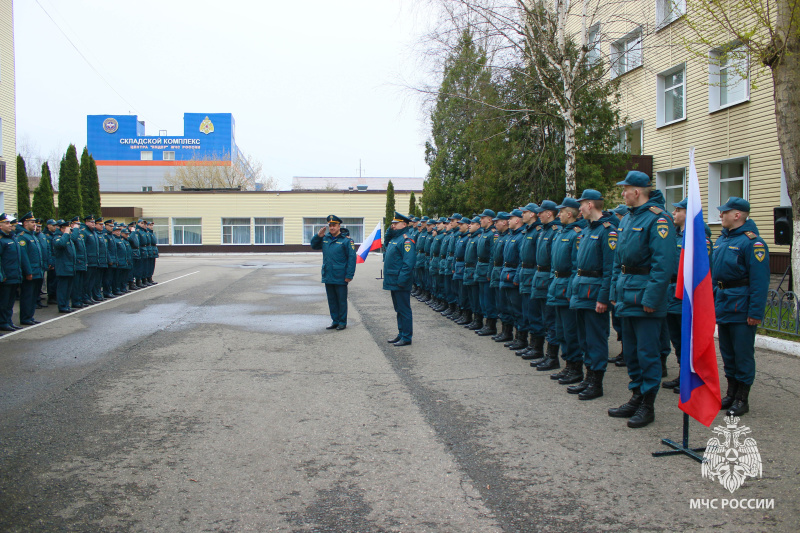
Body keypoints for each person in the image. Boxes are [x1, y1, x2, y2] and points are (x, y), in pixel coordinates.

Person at [608, 171, 676, 429]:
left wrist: (652, 297)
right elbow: (618, 261)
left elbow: (663, 265)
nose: (622, 193)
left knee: (647, 354)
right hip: (626, 294)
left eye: (625, 189)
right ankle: (636, 396)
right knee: (632, 353)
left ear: (637, 191)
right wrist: (615, 291)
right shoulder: (626, 219)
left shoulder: (659, 220)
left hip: (645, 296)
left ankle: (648, 405)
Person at [711, 197, 770, 416]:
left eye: (724, 212)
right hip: (724, 304)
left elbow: (759, 281)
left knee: (742, 354)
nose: (720, 215)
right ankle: (731, 393)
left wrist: (755, 312)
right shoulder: (722, 240)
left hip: (742, 307)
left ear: (737, 215)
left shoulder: (752, 243)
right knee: (727, 353)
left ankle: (742, 398)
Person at [568, 190, 616, 399]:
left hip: (595, 293)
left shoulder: (608, 231)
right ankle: (588, 378)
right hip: (581, 291)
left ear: (590, 205)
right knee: (584, 339)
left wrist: (603, 298)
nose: (579, 209)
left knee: (596, 339)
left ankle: (596, 382)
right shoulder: (586, 231)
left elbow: (610, 269)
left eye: (581, 204)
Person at [662, 198, 712, 394]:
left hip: (688, 296)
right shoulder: (674, 237)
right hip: (671, 293)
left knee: (689, 340)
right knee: (677, 339)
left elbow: (704, 271)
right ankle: (684, 374)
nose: (673, 213)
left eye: (678, 210)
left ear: (688, 213)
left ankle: (694, 377)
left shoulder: (698, 239)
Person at [547, 198, 587, 381]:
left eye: (561, 212)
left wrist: (571, 291)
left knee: (571, 331)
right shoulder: (561, 232)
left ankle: (576, 368)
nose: (559, 214)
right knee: (561, 330)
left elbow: (575, 266)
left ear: (569, 214)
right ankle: (567, 365)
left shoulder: (576, 234)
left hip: (567, 289)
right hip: (557, 285)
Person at [310, 215, 357, 330]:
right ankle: (335, 321)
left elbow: (352, 259)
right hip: (328, 274)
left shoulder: (347, 241)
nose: (331, 228)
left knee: (341, 300)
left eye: (334, 225)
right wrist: (318, 236)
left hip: (341, 275)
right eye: (330, 225)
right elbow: (313, 245)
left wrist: (349, 275)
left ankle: (342, 322)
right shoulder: (325, 238)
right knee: (331, 300)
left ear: (339, 226)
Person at [530, 201, 562, 369]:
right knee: (544, 317)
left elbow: (554, 260)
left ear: (549, 213)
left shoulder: (555, 232)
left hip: (549, 278)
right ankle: (544, 353)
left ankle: (552, 357)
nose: (538, 215)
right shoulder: (543, 231)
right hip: (540, 277)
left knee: (551, 320)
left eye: (541, 212)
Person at [384, 212, 416, 346]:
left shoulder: (406, 240)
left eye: (395, 223)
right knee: (398, 309)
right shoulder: (395, 238)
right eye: (392, 223)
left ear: (404, 224)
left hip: (400, 281)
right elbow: (386, 243)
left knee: (404, 309)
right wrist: (389, 230)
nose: (393, 225)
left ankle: (407, 337)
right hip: (394, 280)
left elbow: (408, 263)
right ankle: (401, 333)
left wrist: (402, 281)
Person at [16, 212, 44, 325]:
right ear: (25, 223)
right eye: (32, 222)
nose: (35, 224)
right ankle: (25, 317)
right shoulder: (22, 237)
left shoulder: (33, 236)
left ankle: (30, 316)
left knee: (33, 296)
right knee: (27, 296)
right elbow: (24, 257)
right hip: (30, 272)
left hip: (38, 271)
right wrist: (28, 272)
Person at [475, 209, 499, 336]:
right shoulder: (484, 233)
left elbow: (492, 256)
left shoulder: (492, 234)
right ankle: (486, 323)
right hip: (480, 267)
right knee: (483, 298)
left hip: (486, 268)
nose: (480, 220)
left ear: (489, 219)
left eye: (482, 218)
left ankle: (491, 325)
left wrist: (489, 272)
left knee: (489, 299)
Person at [52, 219, 77, 313]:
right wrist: (66, 234)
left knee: (68, 289)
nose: (70, 231)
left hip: (70, 267)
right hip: (63, 268)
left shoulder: (68, 238)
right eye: (68, 229)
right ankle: (62, 306)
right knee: (62, 289)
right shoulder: (57, 237)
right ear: (62, 229)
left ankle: (66, 305)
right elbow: (60, 244)